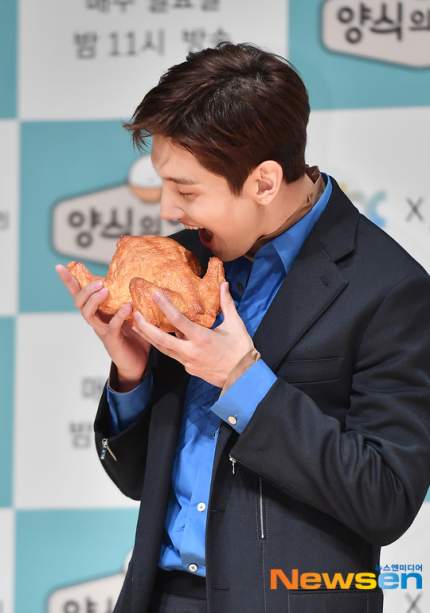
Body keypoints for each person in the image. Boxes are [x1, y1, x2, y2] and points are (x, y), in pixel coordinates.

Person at [56, 42, 430, 613]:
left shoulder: (388, 288)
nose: (168, 209)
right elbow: (139, 483)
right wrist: (133, 378)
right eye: (164, 184)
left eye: (186, 190)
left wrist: (244, 382)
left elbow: (386, 498)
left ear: (264, 182)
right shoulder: (184, 262)